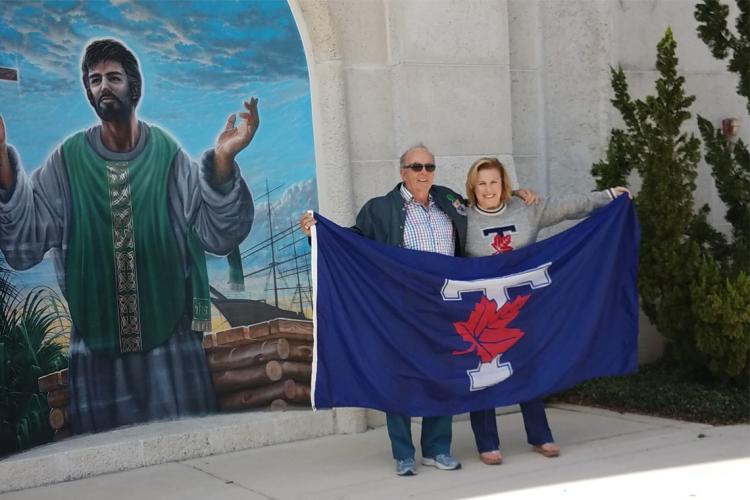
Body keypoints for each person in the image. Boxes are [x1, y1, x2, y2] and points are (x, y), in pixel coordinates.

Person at [0, 38, 257, 433]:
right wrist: (1, 160)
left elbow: (217, 234)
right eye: (95, 79)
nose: (103, 86)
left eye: (114, 78)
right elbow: (25, 243)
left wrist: (223, 161)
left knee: (186, 449)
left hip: (171, 352)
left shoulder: (168, 155)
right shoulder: (66, 162)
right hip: (97, 358)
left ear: (134, 88)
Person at [301, 145, 536, 476]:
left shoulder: (449, 202)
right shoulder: (381, 209)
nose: (424, 173)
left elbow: (486, 207)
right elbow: (351, 242)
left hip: (443, 309)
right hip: (400, 309)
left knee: (442, 376)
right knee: (400, 378)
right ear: (403, 172)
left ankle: (437, 449)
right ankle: (403, 453)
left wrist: (517, 198)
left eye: (429, 166)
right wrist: (318, 234)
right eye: (416, 167)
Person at [463, 157, 630, 465]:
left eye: (494, 182)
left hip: (525, 306)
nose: (488, 189)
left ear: (505, 185)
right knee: (485, 374)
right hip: (482, 311)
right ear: (473, 187)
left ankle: (540, 435)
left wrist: (608, 196)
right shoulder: (461, 217)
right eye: (482, 183)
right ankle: (487, 442)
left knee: (529, 368)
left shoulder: (527, 208)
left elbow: (570, 207)